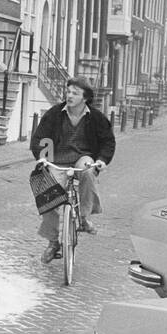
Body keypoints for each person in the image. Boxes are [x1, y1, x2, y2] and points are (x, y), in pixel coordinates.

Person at [28, 77, 115, 264]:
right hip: (57, 159)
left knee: (87, 171)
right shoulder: (54, 114)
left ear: (85, 97)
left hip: (82, 157)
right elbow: (39, 137)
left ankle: (83, 218)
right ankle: (53, 242)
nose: (69, 95)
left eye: (75, 93)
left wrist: (101, 160)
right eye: (68, 91)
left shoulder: (97, 118)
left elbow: (108, 141)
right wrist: (42, 157)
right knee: (47, 190)